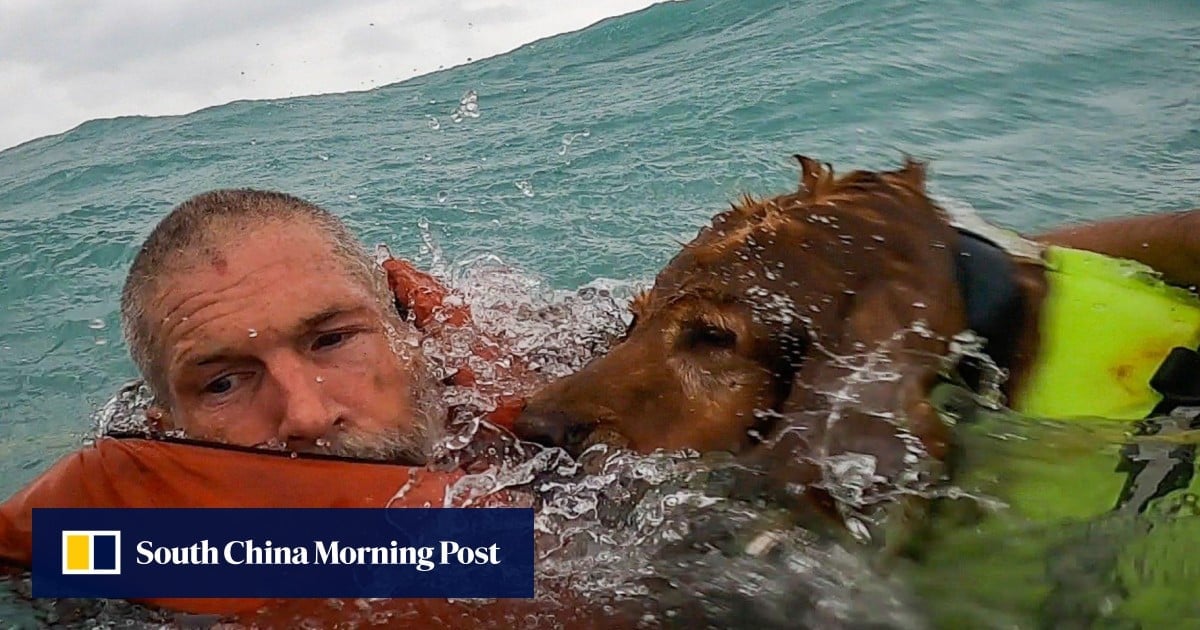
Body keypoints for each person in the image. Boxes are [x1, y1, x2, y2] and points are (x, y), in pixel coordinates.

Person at [0, 189, 538, 625]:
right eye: (224, 384)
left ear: (412, 333)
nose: (305, 415)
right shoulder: (121, 544)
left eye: (333, 340)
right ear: (167, 429)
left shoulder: (561, 414)